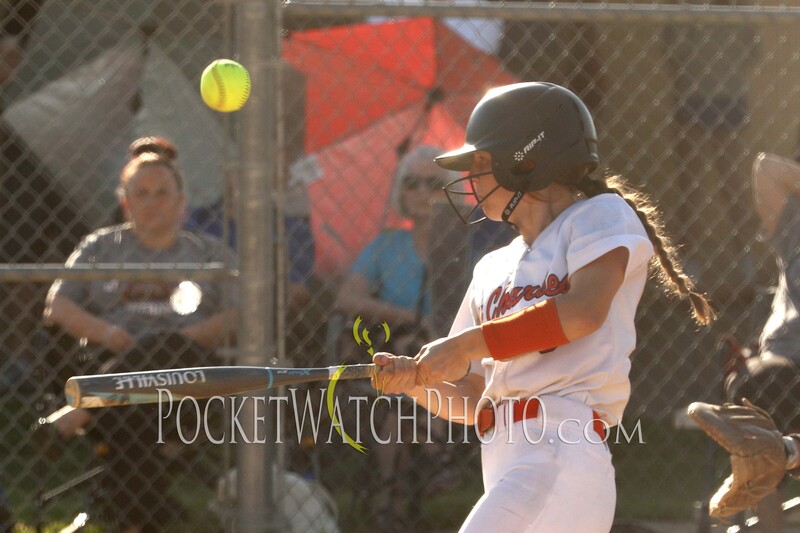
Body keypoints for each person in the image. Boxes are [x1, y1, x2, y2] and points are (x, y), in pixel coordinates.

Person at [372, 82, 715, 532]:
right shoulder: (493, 267)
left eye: (481, 165)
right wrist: (415, 382)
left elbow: (582, 313)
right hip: (506, 461)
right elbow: (475, 395)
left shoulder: (598, 215)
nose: (470, 182)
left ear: (526, 160)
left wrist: (467, 345)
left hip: (561, 450)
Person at [38, 136, 237, 533]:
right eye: (140, 193)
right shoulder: (100, 247)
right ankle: (143, 521)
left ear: (182, 202)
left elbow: (244, 308)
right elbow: (56, 305)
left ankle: (86, 409)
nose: (152, 201)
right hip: (113, 360)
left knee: (166, 344)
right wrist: (107, 332)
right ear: (125, 201)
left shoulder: (208, 251)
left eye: (163, 192)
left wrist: (193, 336)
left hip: (190, 375)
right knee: (138, 403)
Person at [719, 151, 800, 531]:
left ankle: (788, 451)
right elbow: (767, 167)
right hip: (787, 359)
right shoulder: (794, 224)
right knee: (761, 383)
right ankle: (771, 526)